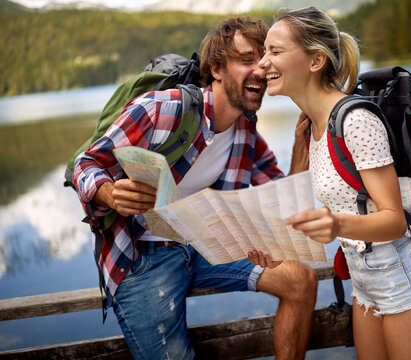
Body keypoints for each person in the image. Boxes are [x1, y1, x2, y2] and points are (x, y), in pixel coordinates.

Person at [73, 16, 318, 360]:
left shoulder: (245, 127)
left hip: (205, 245)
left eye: (264, 61)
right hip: (144, 258)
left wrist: (300, 144)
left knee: (301, 282)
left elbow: (281, 197)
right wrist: (109, 193)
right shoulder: (163, 108)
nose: (260, 71)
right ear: (217, 69)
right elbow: (85, 164)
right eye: (246, 59)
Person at [256, 7, 411, 360]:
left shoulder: (355, 120)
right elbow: (304, 207)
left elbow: (393, 220)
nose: (262, 63)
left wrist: (337, 224)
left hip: (399, 271)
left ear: (315, 60)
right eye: (265, 51)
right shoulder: (311, 124)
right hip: (363, 278)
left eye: (275, 51)